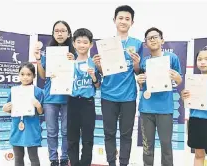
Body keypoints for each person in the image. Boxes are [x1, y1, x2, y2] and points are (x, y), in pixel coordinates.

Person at [93, 5, 143, 166]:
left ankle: (124, 163)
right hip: (108, 95)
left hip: (128, 95)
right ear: (114, 20)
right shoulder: (105, 44)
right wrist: (99, 65)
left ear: (132, 22)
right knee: (109, 133)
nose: (123, 21)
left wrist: (136, 64)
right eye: (120, 18)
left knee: (126, 134)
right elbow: (101, 72)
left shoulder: (137, 43)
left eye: (127, 19)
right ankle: (111, 163)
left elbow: (138, 72)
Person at [137, 27, 182, 166]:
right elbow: (142, 86)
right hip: (146, 109)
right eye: (149, 38)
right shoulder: (144, 61)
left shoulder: (172, 58)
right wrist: (139, 82)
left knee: (166, 146)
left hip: (165, 109)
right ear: (145, 44)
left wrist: (178, 78)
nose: (152, 40)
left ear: (162, 40)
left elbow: (179, 81)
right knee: (147, 147)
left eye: (155, 37)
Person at [33, 20, 76, 166]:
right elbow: (43, 75)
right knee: (51, 131)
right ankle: (53, 159)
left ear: (68, 34)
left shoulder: (74, 53)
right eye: (57, 30)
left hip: (68, 97)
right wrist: (38, 60)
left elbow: (78, 75)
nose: (59, 33)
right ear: (53, 33)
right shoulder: (47, 52)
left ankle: (64, 158)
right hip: (50, 98)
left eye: (63, 30)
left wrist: (74, 61)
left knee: (65, 131)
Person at [67, 28, 101, 166]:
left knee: (88, 138)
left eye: (85, 42)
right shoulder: (69, 63)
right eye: (79, 42)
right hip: (72, 102)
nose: (82, 45)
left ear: (91, 44)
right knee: (72, 138)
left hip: (88, 103)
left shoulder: (95, 63)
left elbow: (98, 85)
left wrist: (93, 76)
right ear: (74, 44)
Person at [2, 62, 44, 166]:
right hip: (17, 127)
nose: (25, 77)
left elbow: (41, 112)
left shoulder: (38, 91)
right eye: (22, 74)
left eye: (29, 74)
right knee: (18, 157)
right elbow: (10, 109)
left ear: (34, 76)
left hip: (31, 127)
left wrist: (38, 106)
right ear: (18, 75)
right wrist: (5, 108)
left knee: (33, 156)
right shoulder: (14, 91)